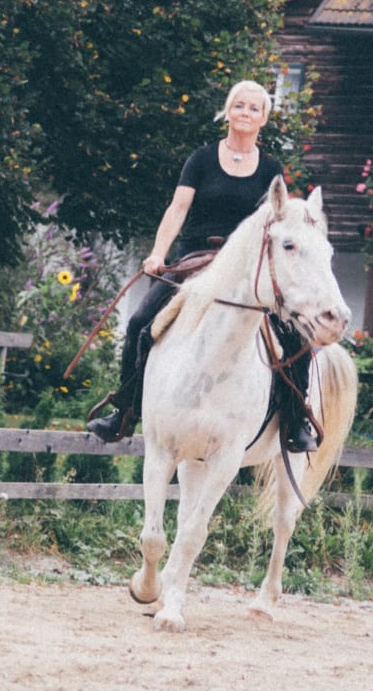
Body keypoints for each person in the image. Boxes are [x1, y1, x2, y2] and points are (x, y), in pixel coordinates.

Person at [86, 79, 319, 450]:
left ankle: (295, 419)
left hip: (242, 268)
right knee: (139, 323)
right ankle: (125, 410)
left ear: (264, 119)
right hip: (193, 260)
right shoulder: (202, 159)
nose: (245, 113)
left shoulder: (270, 169)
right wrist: (158, 254)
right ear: (228, 111)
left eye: (254, 108)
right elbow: (178, 209)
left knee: (295, 332)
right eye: (239, 105)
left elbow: (274, 222)